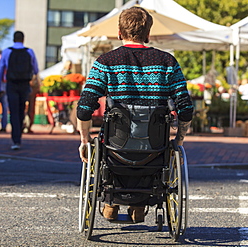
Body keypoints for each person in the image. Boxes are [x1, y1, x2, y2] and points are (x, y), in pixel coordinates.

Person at [76, 7, 193, 223]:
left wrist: (84, 140)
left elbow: (84, 107)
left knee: (107, 144)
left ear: (119, 32)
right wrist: (179, 139)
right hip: (154, 148)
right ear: (148, 34)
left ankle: (111, 202)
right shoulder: (167, 62)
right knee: (158, 149)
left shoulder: (106, 62)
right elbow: (186, 107)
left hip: (115, 148)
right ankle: (138, 205)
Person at [0, 31, 39, 150]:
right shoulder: (29, 52)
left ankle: (16, 139)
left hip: (12, 84)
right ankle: (19, 133)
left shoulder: (6, 52)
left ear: (13, 39)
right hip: (24, 84)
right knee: (21, 109)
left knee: (13, 111)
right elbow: (35, 69)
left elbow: (0, 70)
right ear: (23, 39)